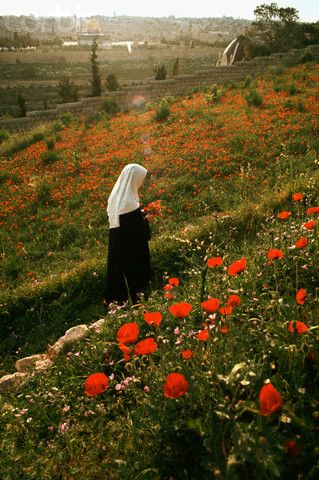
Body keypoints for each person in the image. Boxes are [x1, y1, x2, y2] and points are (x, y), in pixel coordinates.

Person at [104, 163, 152, 307]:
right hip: (132, 250)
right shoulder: (130, 202)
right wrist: (147, 220)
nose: (141, 183)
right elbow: (137, 231)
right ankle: (139, 303)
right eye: (140, 179)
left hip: (118, 244)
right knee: (136, 279)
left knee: (121, 276)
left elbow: (125, 221)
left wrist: (141, 214)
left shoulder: (116, 197)